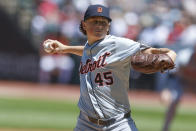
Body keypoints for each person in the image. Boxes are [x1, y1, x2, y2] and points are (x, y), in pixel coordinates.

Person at [42, 4, 176, 131]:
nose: (99, 25)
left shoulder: (119, 45)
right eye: (95, 21)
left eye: (103, 22)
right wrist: (65, 48)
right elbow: (89, 51)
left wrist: (171, 54)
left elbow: (153, 51)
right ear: (84, 24)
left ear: (108, 26)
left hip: (118, 124)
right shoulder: (90, 47)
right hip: (85, 124)